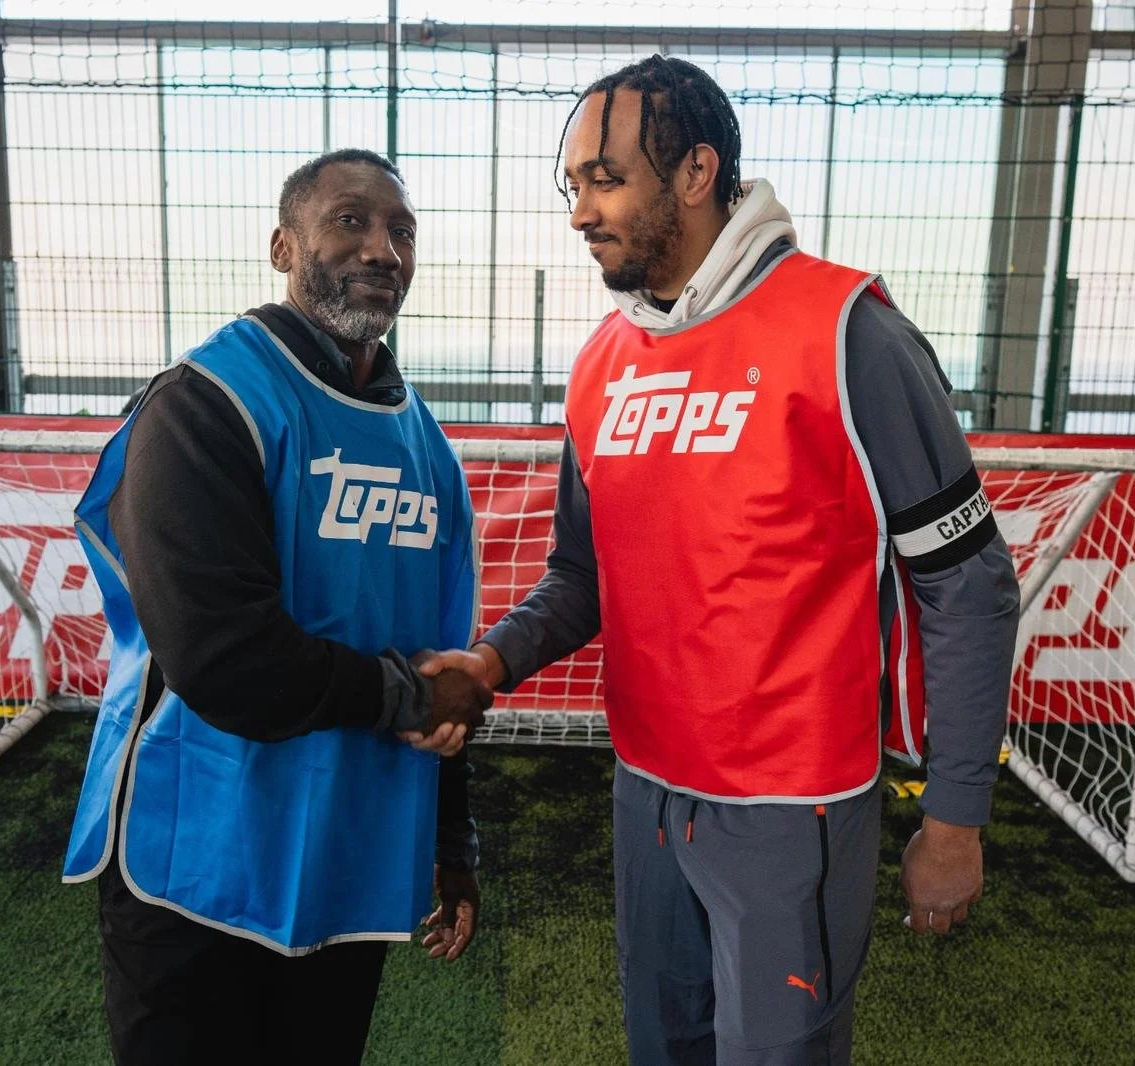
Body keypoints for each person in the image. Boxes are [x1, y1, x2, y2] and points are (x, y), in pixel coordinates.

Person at [424, 56, 1022, 1065]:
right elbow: (583, 576)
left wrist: (954, 820)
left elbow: (967, 583)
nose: (579, 212)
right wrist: (491, 663)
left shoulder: (849, 333)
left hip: (793, 812)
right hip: (643, 791)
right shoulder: (601, 362)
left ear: (696, 172)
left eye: (603, 179)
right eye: (572, 185)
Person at [64, 148, 491, 1066]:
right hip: (192, 864)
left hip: (350, 856)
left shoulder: (431, 453)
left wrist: (453, 836)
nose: (383, 249)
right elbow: (225, 662)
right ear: (282, 245)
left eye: (402, 232)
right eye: (350, 221)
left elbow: (445, 660)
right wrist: (410, 699)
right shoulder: (208, 401)